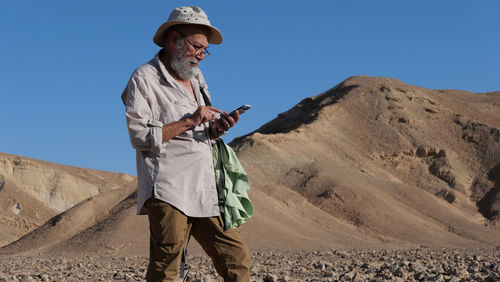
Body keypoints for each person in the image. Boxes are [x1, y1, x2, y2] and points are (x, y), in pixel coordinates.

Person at [121, 6, 251, 282]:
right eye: (196, 47)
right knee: (166, 267)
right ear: (173, 40)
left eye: (205, 50)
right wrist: (190, 121)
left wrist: (216, 128)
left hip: (204, 187)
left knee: (236, 258)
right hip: (168, 188)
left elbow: (200, 131)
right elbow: (138, 135)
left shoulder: (197, 78)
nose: (202, 55)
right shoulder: (144, 79)